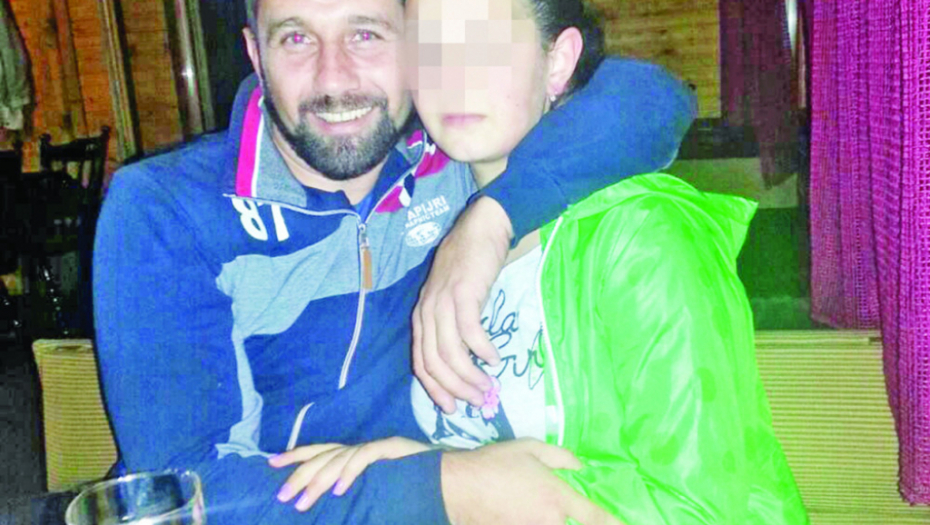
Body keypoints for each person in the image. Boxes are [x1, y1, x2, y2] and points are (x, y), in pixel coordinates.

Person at [92, 0, 695, 523]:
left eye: (365, 34)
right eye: (296, 38)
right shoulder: (168, 208)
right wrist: (448, 487)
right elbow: (181, 491)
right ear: (256, 54)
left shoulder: (452, 153)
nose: (334, 79)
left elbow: (653, 98)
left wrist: (491, 219)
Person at [272, 0, 810, 523]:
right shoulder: (426, 216)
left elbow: (705, 510)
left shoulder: (641, 237)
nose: (452, 78)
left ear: (557, 62)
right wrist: (425, 470)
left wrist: (453, 481)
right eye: (427, 48)